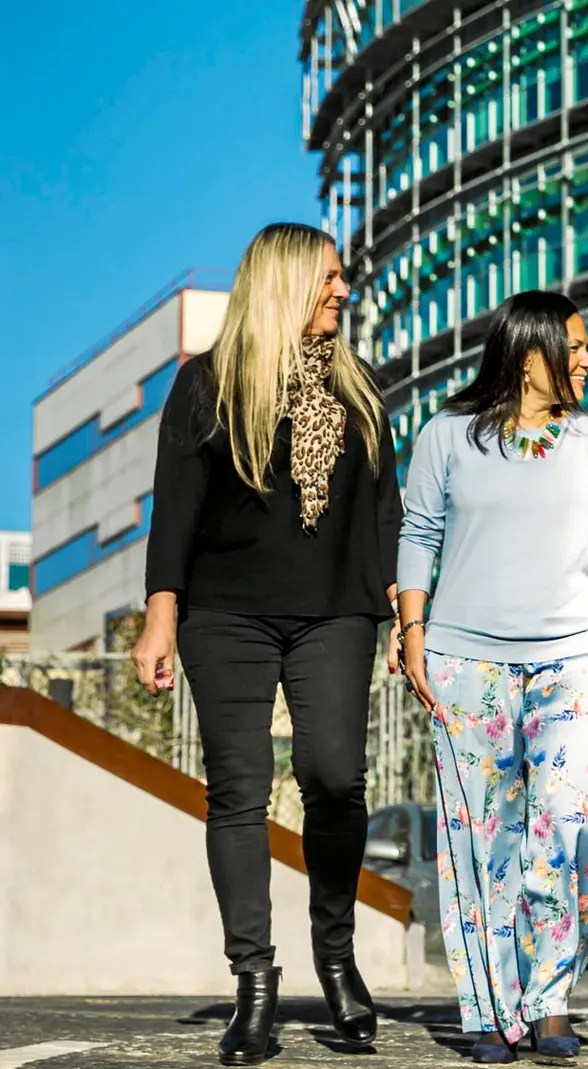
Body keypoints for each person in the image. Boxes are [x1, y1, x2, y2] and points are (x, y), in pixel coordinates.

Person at [132, 222, 398, 1066]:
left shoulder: (361, 389)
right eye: (328, 279)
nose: (342, 292)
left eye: (343, 280)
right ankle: (254, 982)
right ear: (284, 282)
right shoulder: (207, 385)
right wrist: (160, 611)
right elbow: (173, 506)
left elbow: (383, 514)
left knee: (333, 775)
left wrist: (405, 614)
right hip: (226, 614)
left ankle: (335, 951)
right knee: (238, 791)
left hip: (336, 613)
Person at [396, 291, 588, 1064]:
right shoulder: (445, 436)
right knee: (480, 840)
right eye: (577, 345)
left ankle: (552, 993)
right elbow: (419, 534)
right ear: (530, 350)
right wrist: (412, 632)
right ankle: (490, 1008)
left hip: (575, 654)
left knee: (577, 830)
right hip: (465, 660)